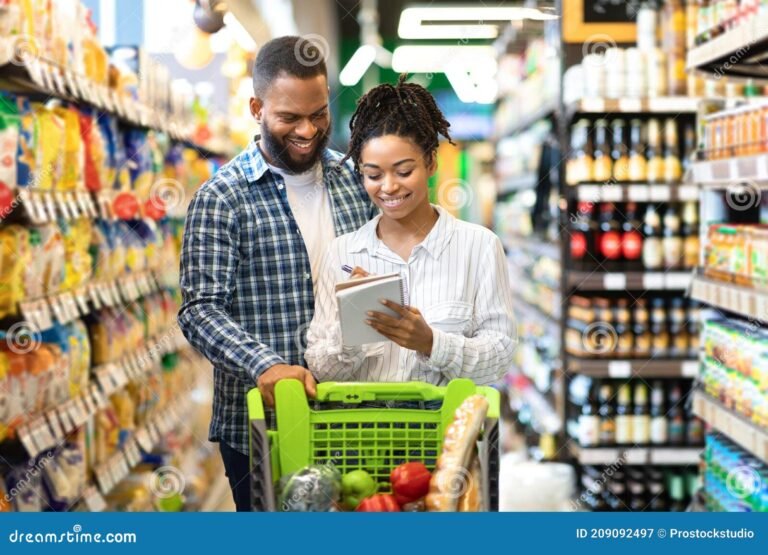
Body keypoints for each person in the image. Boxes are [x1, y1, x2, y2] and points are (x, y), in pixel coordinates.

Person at [177, 36, 375, 511]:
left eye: (319, 114)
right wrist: (264, 364)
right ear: (256, 108)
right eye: (289, 118)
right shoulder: (222, 197)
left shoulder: (355, 179)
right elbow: (199, 311)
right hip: (261, 425)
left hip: (354, 412)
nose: (307, 130)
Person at [305, 75, 516, 385]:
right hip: (365, 431)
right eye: (373, 175)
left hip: (445, 430)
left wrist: (431, 343)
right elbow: (322, 371)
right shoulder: (343, 253)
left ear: (431, 163)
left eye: (404, 171)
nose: (389, 187)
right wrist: (353, 325)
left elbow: (498, 359)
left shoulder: (479, 246)